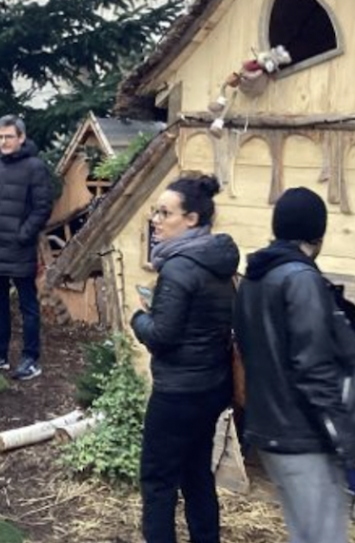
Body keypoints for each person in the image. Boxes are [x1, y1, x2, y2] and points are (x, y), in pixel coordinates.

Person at [233, 187, 355, 543]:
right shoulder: (301, 280)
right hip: (304, 439)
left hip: (269, 435)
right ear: (317, 236)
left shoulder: (253, 281)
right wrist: (349, 449)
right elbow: (315, 370)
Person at [129, 175, 238, 543]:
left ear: (191, 219)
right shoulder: (218, 263)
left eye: (165, 213)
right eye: (155, 212)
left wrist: (139, 317)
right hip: (210, 387)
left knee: (158, 481)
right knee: (196, 473)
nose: (156, 220)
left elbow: (163, 337)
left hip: (178, 393)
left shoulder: (178, 267)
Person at [0, 115, 51, 381]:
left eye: (9, 136)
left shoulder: (35, 167)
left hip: (19, 249)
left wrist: (23, 235)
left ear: (21, 138)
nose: (4, 141)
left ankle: (30, 359)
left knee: (28, 305)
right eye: (0, 137)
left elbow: (42, 208)